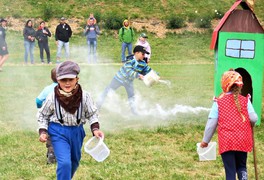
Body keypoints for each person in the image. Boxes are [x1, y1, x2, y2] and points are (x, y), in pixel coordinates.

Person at [37, 61, 104, 180]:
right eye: (63, 80)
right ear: (58, 80)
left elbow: (92, 113)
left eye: (70, 79)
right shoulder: (53, 96)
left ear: (77, 79)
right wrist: (42, 131)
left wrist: (95, 129)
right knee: (64, 163)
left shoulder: (84, 96)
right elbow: (43, 115)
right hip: (58, 132)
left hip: (77, 132)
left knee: (74, 162)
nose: (67, 83)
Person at [200, 69, 258, 180]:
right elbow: (254, 118)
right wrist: (252, 123)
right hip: (243, 140)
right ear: (240, 86)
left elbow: (211, 124)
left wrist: (205, 141)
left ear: (224, 85)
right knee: (242, 167)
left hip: (227, 142)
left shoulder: (219, 103)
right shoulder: (245, 101)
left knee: (230, 171)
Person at [96, 45, 153, 114]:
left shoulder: (143, 63)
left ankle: (134, 112)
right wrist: (138, 75)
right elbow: (128, 71)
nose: (144, 56)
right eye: (142, 54)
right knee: (107, 91)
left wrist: (155, 75)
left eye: (144, 54)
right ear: (136, 53)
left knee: (131, 97)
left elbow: (149, 71)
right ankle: (97, 107)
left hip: (129, 82)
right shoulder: (129, 60)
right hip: (118, 79)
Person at [36, 68, 58, 164]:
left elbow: (38, 101)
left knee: (50, 135)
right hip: (62, 118)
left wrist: (40, 107)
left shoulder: (47, 89)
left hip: (49, 118)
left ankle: (51, 153)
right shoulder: (68, 88)